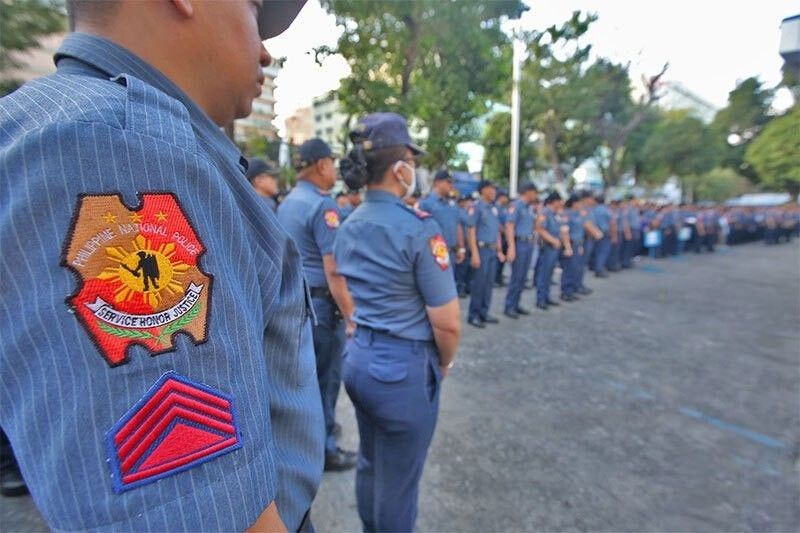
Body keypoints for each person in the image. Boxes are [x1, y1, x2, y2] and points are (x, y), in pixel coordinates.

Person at [0, 1, 322, 531]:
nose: (265, 49)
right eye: (254, 8)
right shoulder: (117, 146)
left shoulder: (122, 132)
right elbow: (203, 513)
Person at [333, 112, 460, 532]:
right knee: (400, 483)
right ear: (400, 166)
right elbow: (447, 324)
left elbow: (340, 279)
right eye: (412, 159)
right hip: (403, 369)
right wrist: (443, 363)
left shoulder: (350, 224)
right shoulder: (418, 229)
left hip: (360, 358)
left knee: (371, 462)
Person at [277, 138, 358, 472]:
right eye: (332, 163)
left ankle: (314, 436)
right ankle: (326, 450)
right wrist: (352, 316)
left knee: (310, 377)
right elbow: (334, 269)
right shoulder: (324, 207)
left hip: (300, 302)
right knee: (327, 380)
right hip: (324, 307)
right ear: (322, 164)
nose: (335, 169)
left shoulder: (290, 201)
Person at [466, 181, 505, 328]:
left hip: (492, 249)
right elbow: (471, 231)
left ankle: (484, 312)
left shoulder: (494, 208)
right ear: (483, 190)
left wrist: (500, 250)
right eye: (491, 188)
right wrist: (474, 253)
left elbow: (496, 231)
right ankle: (473, 314)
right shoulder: (476, 207)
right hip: (481, 249)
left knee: (488, 284)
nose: (494, 191)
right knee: (479, 284)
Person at [418, 169, 466, 276]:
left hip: (452, 252)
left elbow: (457, 226)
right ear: (437, 182)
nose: (451, 185)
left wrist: (461, 248)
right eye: (448, 182)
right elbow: (421, 231)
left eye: (452, 182)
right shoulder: (426, 203)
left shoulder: (452, 204)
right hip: (434, 254)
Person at [503, 182, 538, 318]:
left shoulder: (530, 208)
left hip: (528, 243)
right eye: (534, 192)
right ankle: (509, 305)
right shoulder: (516, 206)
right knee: (516, 276)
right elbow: (509, 225)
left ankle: (516, 304)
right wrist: (511, 247)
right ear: (528, 192)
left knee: (523, 277)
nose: (535, 195)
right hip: (519, 243)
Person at [534, 192, 567, 310]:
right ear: (555, 201)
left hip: (554, 247)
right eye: (560, 201)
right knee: (544, 274)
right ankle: (541, 299)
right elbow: (540, 229)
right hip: (547, 247)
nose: (561, 204)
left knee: (549, 274)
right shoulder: (545, 212)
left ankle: (546, 296)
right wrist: (553, 240)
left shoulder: (555, 214)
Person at [560, 195, 584, 302]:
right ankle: (566, 291)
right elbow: (565, 231)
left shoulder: (577, 214)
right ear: (574, 203)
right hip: (571, 243)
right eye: (579, 203)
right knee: (569, 268)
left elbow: (579, 231)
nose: (581, 205)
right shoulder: (567, 214)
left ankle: (571, 289)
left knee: (575, 268)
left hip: (577, 243)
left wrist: (581, 245)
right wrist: (567, 247)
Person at [494, 189, 511, 286]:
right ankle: (496, 278)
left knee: (502, 260)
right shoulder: (496, 207)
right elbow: (497, 224)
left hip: (504, 237)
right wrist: (505, 231)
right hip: (499, 236)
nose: (506, 199)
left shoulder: (504, 208)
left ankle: (499, 277)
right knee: (498, 259)